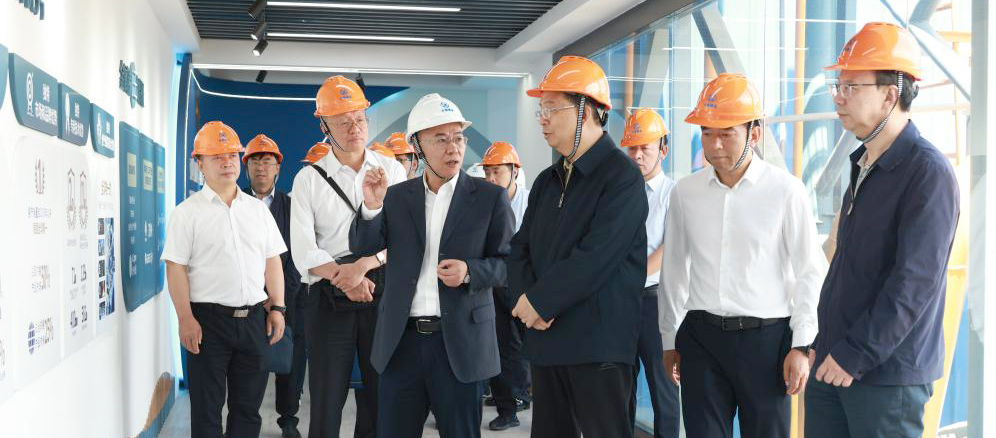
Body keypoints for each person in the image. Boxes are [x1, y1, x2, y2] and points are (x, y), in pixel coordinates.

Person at [806, 22, 960, 438]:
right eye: (837, 86)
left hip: (884, 376)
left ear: (891, 95)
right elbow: (847, 266)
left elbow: (914, 283)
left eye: (851, 87)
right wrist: (821, 342)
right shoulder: (864, 163)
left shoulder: (927, 172)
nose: (838, 97)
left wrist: (854, 353)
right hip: (834, 359)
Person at [658, 73, 826, 438]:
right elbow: (674, 271)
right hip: (700, 338)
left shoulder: (786, 191)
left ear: (755, 133)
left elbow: (810, 271)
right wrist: (669, 339)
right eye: (707, 133)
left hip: (766, 341)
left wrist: (801, 345)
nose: (715, 145)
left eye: (726, 134)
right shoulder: (686, 192)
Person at [350, 93, 514, 438]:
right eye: (440, 139)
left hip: (460, 345)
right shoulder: (397, 197)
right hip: (401, 344)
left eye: (458, 138)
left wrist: (470, 272)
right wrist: (371, 206)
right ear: (418, 147)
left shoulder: (489, 198)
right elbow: (363, 247)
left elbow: (509, 265)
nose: (453, 148)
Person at [508, 55, 648, 438]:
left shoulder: (622, 177)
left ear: (586, 111)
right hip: (546, 340)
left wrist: (540, 302)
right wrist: (525, 301)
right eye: (541, 110)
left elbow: (597, 257)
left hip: (598, 346)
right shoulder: (547, 180)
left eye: (552, 109)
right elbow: (519, 249)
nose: (543, 120)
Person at [289, 76, 406, 438]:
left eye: (359, 119)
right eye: (343, 122)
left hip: (381, 288)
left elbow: (405, 239)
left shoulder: (391, 170)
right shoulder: (308, 179)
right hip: (327, 293)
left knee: (381, 394)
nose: (355, 129)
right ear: (324, 127)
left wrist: (364, 267)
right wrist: (346, 278)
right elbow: (304, 250)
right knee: (326, 398)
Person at [162, 121, 287, 438]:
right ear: (199, 163)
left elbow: (272, 261)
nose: (227, 162)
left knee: (248, 411)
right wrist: (185, 318)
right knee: (207, 411)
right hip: (208, 323)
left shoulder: (258, 210)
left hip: (254, 322)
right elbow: (175, 268)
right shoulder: (187, 213)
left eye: (232, 155)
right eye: (217, 156)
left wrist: (278, 308)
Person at [618, 108, 680, 438]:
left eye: (645, 148)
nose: (637, 155)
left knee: (663, 386)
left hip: (654, 303)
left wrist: (629, 277)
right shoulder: (618, 194)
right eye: (632, 148)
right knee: (620, 386)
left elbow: (669, 249)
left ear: (663, 150)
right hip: (619, 302)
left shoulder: (674, 194)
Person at [241, 134, 307, 438]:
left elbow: (299, 255)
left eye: (267, 162)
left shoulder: (292, 207)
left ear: (278, 168)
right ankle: (245, 421)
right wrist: (259, 296)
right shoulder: (235, 204)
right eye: (255, 161)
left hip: (289, 298)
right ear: (246, 168)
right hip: (247, 300)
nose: (261, 168)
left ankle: (288, 418)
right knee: (248, 365)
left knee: (289, 361)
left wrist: (278, 299)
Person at [480, 141, 531, 431]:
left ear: (514, 171)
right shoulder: (483, 204)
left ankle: (525, 395)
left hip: (526, 284)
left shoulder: (530, 202)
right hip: (496, 283)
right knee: (501, 346)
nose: (491, 179)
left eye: (497, 172)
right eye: (487, 172)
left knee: (531, 345)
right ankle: (507, 408)